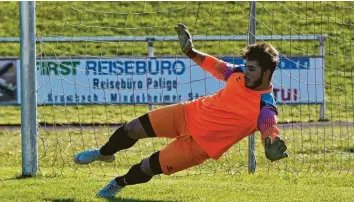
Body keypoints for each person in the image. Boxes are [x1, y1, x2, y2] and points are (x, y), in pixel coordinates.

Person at [73, 23, 289, 198]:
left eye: (252, 69)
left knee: (148, 166)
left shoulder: (266, 107)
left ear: (267, 72)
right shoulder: (238, 73)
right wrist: (190, 51)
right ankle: (103, 153)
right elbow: (216, 66)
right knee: (132, 128)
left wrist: (270, 147)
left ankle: (118, 183)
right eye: (246, 67)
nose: (247, 72)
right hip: (188, 114)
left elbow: (269, 129)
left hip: (200, 147)